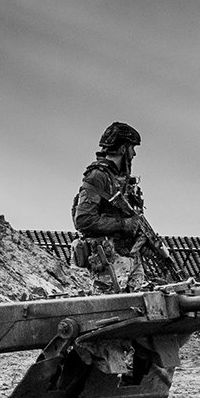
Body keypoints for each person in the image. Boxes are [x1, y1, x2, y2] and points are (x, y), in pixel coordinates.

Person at [71, 121, 150, 293]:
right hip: (109, 260)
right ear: (123, 149)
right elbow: (84, 219)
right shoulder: (98, 176)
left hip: (129, 255)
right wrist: (123, 224)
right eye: (132, 148)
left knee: (141, 308)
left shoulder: (121, 179)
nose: (134, 153)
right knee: (111, 313)